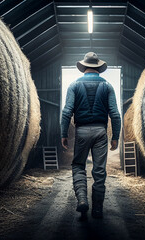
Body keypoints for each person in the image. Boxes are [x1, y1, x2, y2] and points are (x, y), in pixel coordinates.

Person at [60, 52, 121, 219]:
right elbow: (115, 115)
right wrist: (116, 136)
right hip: (101, 132)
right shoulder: (107, 86)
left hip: (81, 131)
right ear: (98, 68)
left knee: (79, 165)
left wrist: (63, 133)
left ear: (84, 67)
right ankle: (98, 210)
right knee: (99, 171)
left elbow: (67, 112)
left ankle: (82, 201)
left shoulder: (74, 85)